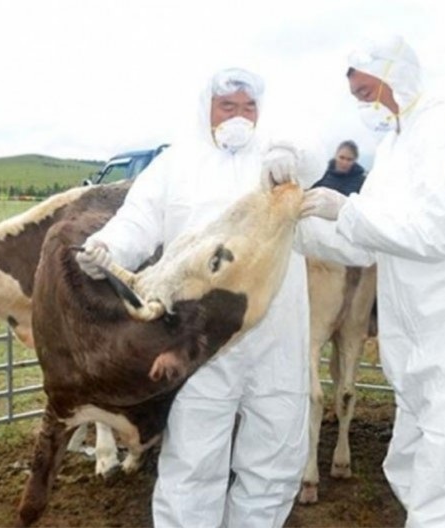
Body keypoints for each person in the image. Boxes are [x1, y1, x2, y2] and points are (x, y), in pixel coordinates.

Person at [75, 67, 323, 528]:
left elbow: (315, 154)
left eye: (249, 107)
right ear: (206, 107)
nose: (239, 117)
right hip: (198, 340)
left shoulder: (276, 160)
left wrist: (292, 154)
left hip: (276, 333)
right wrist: (108, 246)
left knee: (275, 456)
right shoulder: (177, 163)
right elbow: (139, 219)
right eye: (228, 106)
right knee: (193, 460)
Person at [297, 35, 445, 527]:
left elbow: (434, 233)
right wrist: (297, 231)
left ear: (395, 75)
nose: (362, 106)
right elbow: (364, 244)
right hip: (420, 330)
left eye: (365, 92)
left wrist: (347, 210)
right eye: (356, 96)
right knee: (415, 464)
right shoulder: (396, 143)